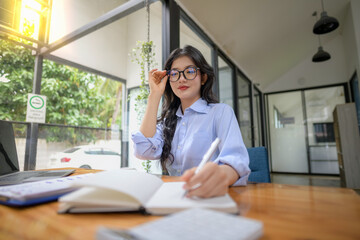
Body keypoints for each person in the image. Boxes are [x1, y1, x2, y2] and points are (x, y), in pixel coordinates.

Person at [132, 45, 250, 198]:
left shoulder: (220, 112)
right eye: (174, 74)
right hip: (174, 196)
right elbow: (143, 151)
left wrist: (221, 175)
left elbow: (236, 160)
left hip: (210, 196)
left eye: (189, 71)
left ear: (203, 78)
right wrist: (154, 95)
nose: (181, 78)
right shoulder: (169, 121)